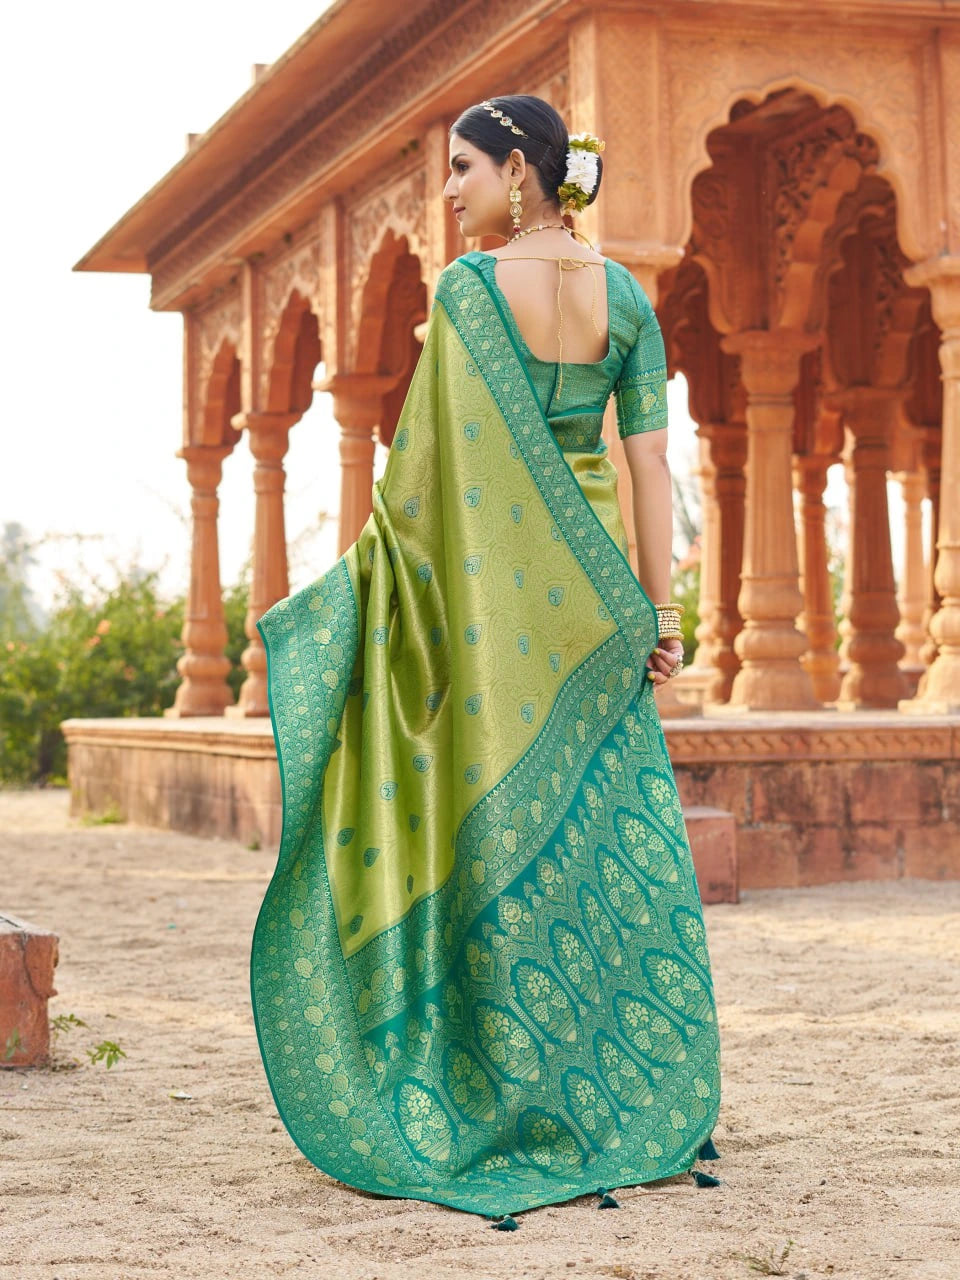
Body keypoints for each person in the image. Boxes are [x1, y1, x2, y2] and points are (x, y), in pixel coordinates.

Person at [250, 94, 721, 1226]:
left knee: (491, 828)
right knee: (603, 842)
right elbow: (651, 465)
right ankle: (612, 1093)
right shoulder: (625, 298)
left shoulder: (468, 295)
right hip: (600, 595)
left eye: (462, 168)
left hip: (496, 607)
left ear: (521, 169)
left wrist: (363, 591)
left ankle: (501, 1091)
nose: (448, 191)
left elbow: (423, 492)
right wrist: (657, 611)